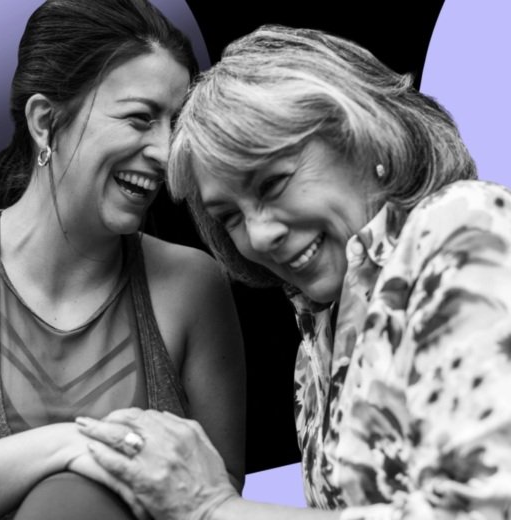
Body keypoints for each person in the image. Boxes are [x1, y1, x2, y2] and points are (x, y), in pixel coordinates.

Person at [76, 24, 511, 520]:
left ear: (366, 139)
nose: (258, 238)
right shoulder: (317, 335)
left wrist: (211, 507)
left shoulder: (462, 229)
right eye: (230, 217)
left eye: (272, 182)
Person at [0, 1, 246, 519]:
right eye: (141, 118)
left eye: (174, 124)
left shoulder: (194, 286)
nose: (166, 153)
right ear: (45, 121)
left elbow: (216, 497)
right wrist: (68, 446)